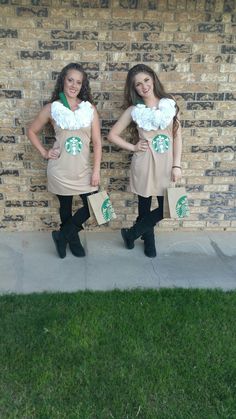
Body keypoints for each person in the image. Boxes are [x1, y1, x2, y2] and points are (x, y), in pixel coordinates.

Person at [28, 63, 102, 259]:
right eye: (70, 80)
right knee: (65, 207)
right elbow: (31, 131)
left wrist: (96, 171)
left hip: (84, 170)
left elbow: (97, 142)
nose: (74, 85)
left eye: (79, 82)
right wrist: (45, 152)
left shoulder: (89, 109)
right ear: (63, 80)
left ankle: (62, 236)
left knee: (93, 205)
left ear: (82, 86)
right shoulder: (53, 108)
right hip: (60, 169)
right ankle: (73, 239)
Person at [108, 64, 182, 257]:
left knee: (168, 205)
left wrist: (177, 164)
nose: (144, 86)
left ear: (153, 79)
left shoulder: (169, 103)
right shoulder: (135, 110)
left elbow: (177, 137)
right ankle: (149, 240)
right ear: (134, 89)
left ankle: (131, 233)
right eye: (138, 84)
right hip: (145, 162)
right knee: (144, 204)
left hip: (166, 164)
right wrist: (133, 147)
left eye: (146, 80)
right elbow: (112, 135)